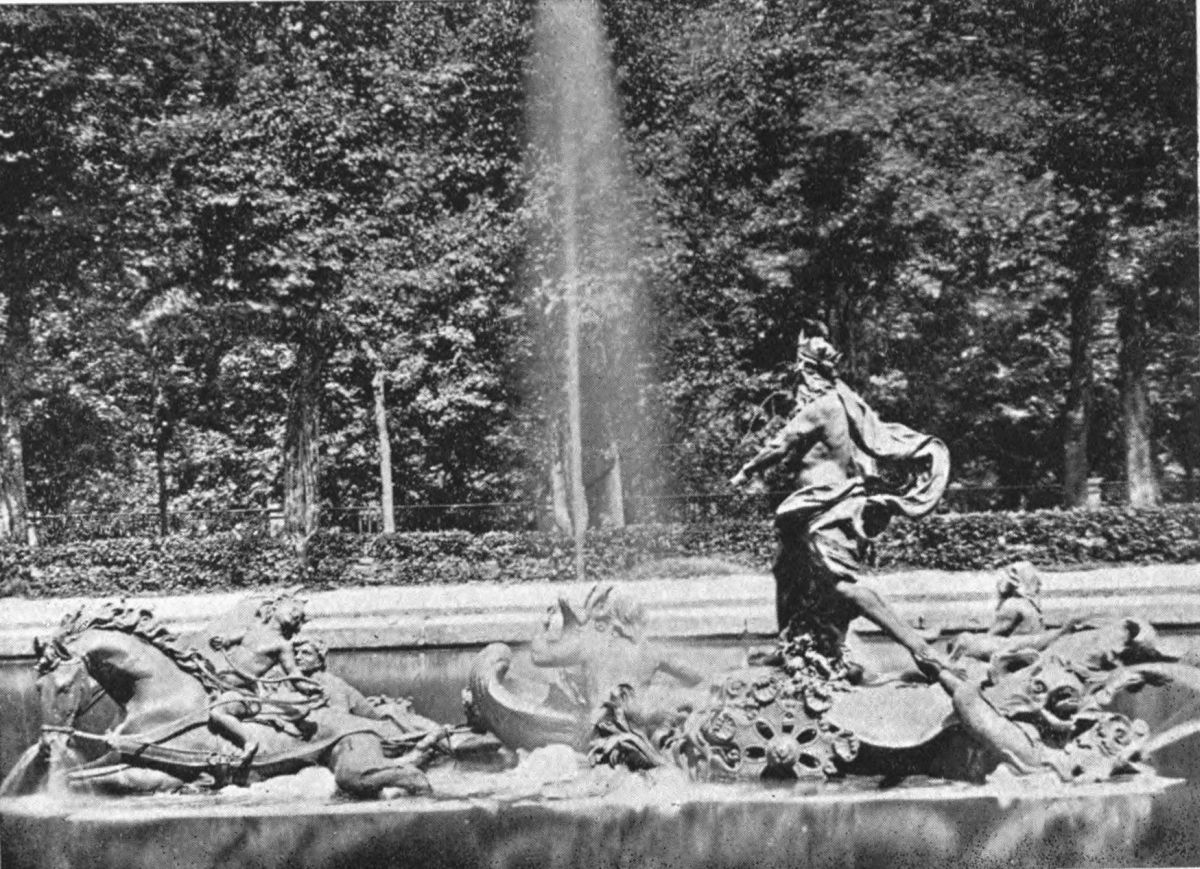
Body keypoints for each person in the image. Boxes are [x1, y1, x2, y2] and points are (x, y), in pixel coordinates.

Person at [729, 333, 951, 675]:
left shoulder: (823, 407)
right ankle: (789, 645)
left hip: (827, 506)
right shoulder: (844, 406)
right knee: (786, 568)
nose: (797, 385)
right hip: (812, 508)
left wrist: (746, 471)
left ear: (809, 373)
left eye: (800, 375)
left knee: (841, 587)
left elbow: (780, 444)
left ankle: (920, 649)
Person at [202, 591, 315, 766]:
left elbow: (294, 675)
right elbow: (228, 639)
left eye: (299, 615)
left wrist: (309, 688)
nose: (296, 614)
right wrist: (220, 641)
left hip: (243, 694)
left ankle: (249, 741)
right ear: (275, 607)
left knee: (218, 712)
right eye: (292, 608)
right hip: (218, 682)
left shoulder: (282, 646)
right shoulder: (253, 628)